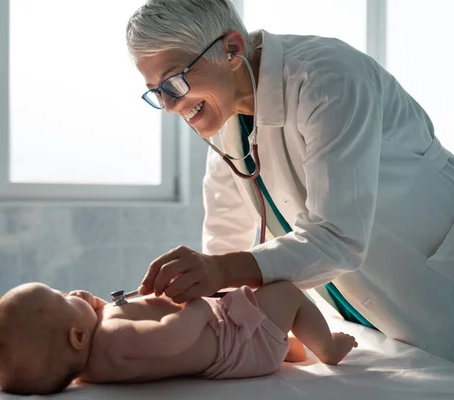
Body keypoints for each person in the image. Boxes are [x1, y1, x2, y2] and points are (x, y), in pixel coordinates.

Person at [126, 0, 454, 362]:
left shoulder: (329, 80)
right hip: (375, 311)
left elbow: (338, 237)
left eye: (174, 81)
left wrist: (219, 271)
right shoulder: (227, 121)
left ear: (232, 49)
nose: (170, 106)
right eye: (158, 91)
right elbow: (224, 236)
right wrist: (199, 299)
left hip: (438, 280)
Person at [0, 282, 357, 395]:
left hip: (240, 344)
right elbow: (170, 338)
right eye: (64, 299)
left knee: (272, 320)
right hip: (235, 340)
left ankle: (288, 350)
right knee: (287, 293)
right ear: (77, 336)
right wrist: (196, 305)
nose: (74, 293)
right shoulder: (111, 338)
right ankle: (328, 348)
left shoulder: (90, 365)